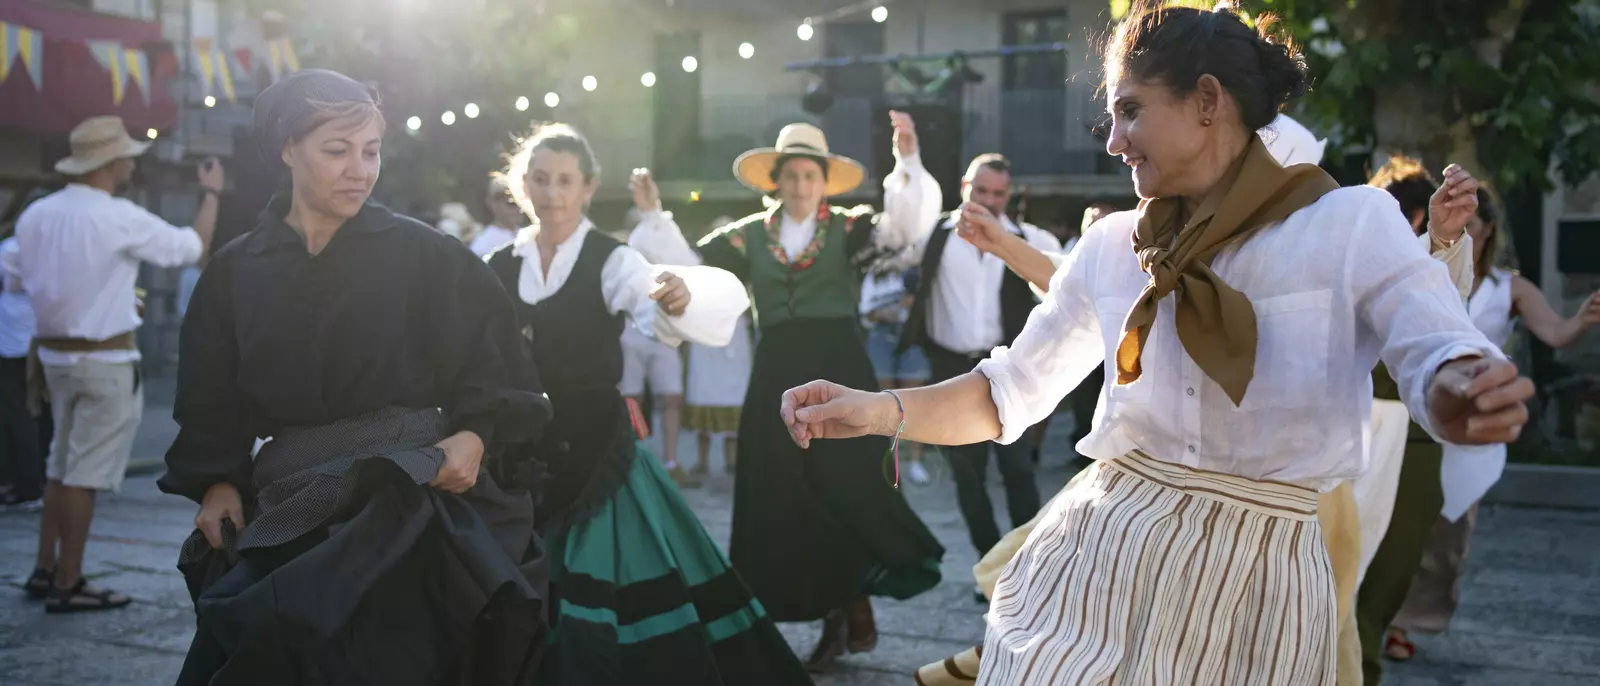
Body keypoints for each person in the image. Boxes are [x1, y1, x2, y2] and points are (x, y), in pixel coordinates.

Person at [781, 7, 1534, 684]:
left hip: (1258, 589)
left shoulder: (1349, 224)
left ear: (1207, 101)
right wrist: (877, 409)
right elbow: (1007, 390)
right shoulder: (1112, 246)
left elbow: (1433, 339)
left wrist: (1459, 388)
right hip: (1099, 562)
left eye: (1130, 111)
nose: (1113, 142)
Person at [160, 70, 552, 683]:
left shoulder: (427, 254)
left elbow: (493, 363)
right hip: (292, 499)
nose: (359, 171)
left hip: (411, 499)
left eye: (371, 151)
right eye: (337, 151)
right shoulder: (235, 271)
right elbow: (210, 396)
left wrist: (474, 436)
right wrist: (218, 481)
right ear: (288, 149)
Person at [483, 123, 809, 684]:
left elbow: (649, 298)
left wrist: (676, 299)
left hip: (593, 450)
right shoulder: (499, 264)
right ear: (522, 184)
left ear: (588, 187)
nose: (552, 193)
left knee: (596, 582)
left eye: (565, 181)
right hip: (518, 450)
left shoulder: (612, 260)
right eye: (540, 179)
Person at [628, 114, 946, 670]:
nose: (801, 185)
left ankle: (849, 605)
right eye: (792, 175)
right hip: (776, 373)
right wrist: (654, 216)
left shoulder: (851, 228)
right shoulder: (748, 234)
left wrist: (907, 163)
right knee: (782, 490)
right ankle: (836, 610)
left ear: (824, 183)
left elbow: (904, 233)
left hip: (840, 367)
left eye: (810, 175)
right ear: (776, 180)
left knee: (845, 483)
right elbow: (694, 269)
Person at [8, 115, 222, 612]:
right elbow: (192, 248)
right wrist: (212, 193)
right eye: (127, 156)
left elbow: (14, 275)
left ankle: (45, 567)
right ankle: (69, 581)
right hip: (104, 358)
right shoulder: (117, 215)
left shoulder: (37, 214)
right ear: (110, 163)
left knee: (60, 465)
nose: (132, 164)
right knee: (83, 474)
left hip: (53, 356)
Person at [1386, 188, 1600, 661]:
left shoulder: (1510, 288)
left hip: (1473, 429)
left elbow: (1556, 332)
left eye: (1473, 219)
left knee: (1449, 536)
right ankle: (1382, 615)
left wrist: (1583, 320)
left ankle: (1412, 621)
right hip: (1416, 413)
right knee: (1397, 523)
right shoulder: (1424, 270)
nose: (1465, 226)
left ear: (1487, 227)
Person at [895, 153, 1060, 573]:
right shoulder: (934, 235)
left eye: (998, 193)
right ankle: (991, 568)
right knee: (968, 477)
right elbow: (896, 235)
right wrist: (908, 159)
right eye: (980, 190)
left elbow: (1060, 287)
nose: (988, 200)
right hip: (951, 368)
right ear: (965, 187)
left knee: (1018, 471)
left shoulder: (1030, 239)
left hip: (1011, 369)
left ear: (1010, 195)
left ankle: (1027, 567)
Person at [682, 214, 755, 476]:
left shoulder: (745, 264)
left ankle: (732, 459)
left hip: (734, 336)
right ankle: (702, 460)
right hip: (705, 334)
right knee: (703, 390)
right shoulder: (700, 265)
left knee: (734, 393)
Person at [860, 266, 931, 484]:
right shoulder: (875, 273)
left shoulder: (921, 267)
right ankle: (888, 460)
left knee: (915, 401)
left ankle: (915, 460)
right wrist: (880, 314)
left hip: (914, 334)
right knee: (882, 401)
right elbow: (864, 312)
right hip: (881, 336)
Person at [0, 228, 43, 511]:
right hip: (41, 338)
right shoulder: (51, 248)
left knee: (17, 413)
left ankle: (26, 486)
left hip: (11, 343)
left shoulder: (9, 248)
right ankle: (33, 483)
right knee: (37, 412)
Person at [470, 178, 522, 257]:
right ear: (493, 205)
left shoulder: (527, 235)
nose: (519, 209)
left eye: (521, 203)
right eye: (512, 203)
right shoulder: (482, 244)